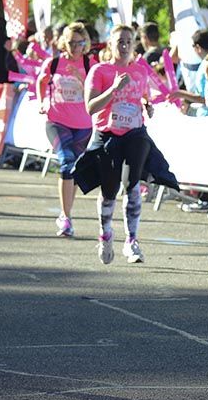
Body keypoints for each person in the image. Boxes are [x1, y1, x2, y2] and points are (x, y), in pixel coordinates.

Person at [84, 25, 155, 264]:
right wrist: (113, 89)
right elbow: (90, 107)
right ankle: (105, 235)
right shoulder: (100, 70)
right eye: (119, 42)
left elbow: (143, 96)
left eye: (128, 41)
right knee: (109, 191)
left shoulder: (140, 71)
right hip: (108, 136)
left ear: (134, 44)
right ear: (110, 44)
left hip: (134, 135)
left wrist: (148, 105)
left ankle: (132, 241)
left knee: (133, 186)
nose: (124, 46)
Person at [36, 21, 94, 237]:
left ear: (85, 43)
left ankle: (66, 212)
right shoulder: (53, 63)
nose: (75, 47)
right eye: (71, 43)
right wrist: (42, 101)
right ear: (64, 42)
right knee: (66, 161)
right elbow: (41, 81)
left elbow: (95, 89)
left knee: (75, 168)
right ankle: (66, 217)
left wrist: (79, 76)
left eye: (80, 43)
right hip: (57, 121)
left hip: (83, 124)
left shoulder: (90, 63)